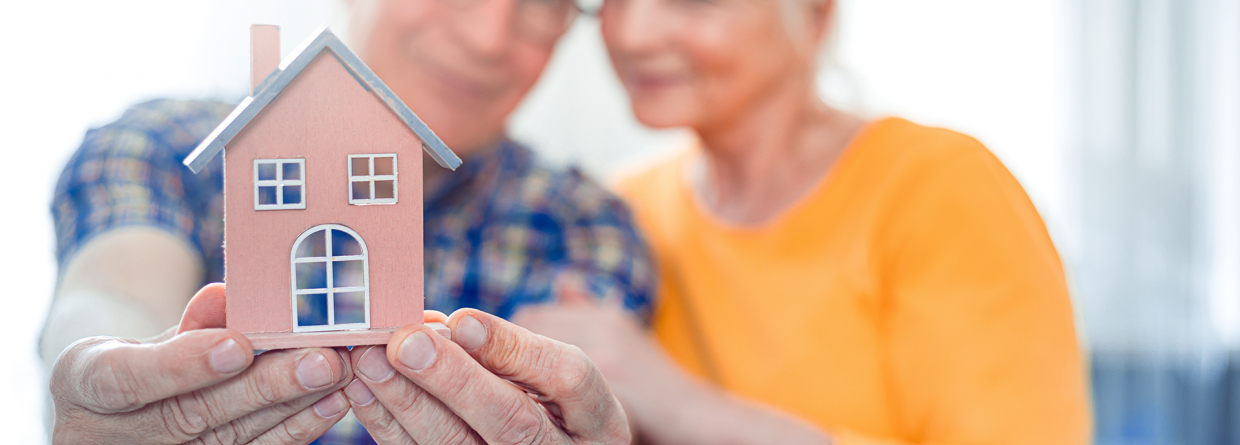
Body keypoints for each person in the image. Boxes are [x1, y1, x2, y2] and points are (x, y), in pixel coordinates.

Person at [41, 0, 652, 443]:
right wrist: (110, 377)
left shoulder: (582, 226)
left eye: (545, 2)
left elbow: (581, 393)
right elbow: (111, 293)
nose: (488, 37)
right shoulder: (163, 144)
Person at [516, 0, 1093, 443]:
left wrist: (679, 403)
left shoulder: (942, 188)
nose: (630, 34)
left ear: (815, 15)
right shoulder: (619, 214)